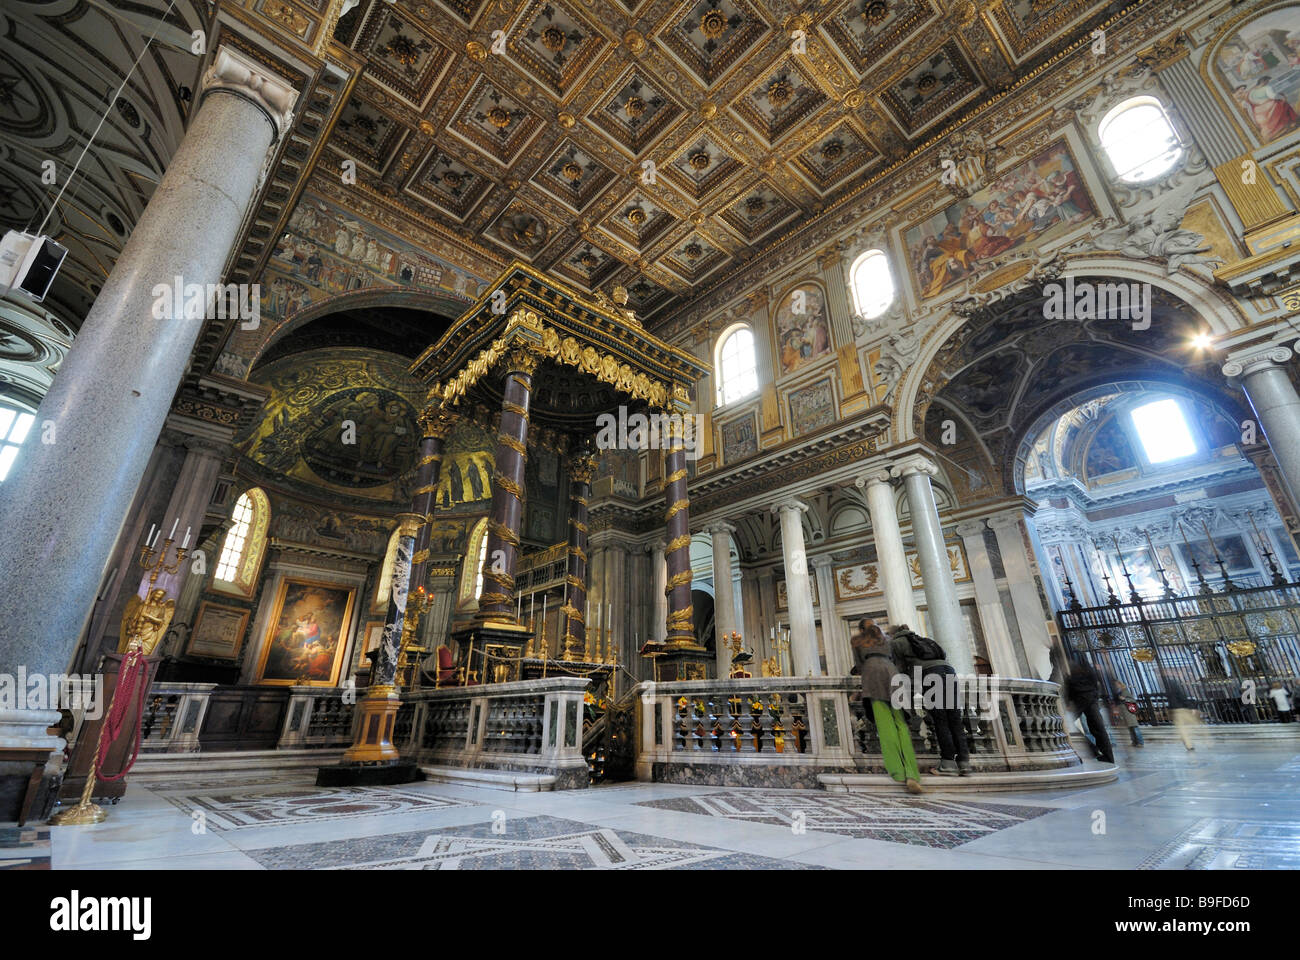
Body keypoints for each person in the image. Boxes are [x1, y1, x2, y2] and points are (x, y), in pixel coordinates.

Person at [850, 618, 923, 794]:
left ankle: (897, 771)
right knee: (901, 725)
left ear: (861, 629)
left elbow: (859, 666)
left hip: (873, 677)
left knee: (886, 726)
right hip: (892, 675)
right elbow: (897, 660)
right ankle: (912, 773)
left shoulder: (857, 641)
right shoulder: (888, 640)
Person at [891, 623, 970, 776]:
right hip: (948, 671)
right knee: (955, 718)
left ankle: (948, 763)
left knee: (941, 718)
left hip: (931, 674)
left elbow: (900, 671)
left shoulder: (896, 643)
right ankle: (964, 762)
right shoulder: (924, 639)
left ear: (895, 633)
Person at [1063, 656, 1114, 763]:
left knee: (1066, 724)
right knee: (1098, 728)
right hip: (1091, 698)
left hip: (1080, 699)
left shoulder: (1071, 669)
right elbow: (1096, 684)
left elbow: (1069, 688)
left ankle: (1094, 750)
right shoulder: (1089, 669)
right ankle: (1107, 757)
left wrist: (1068, 702)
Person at [1165, 677, 1200, 751]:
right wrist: (1191, 707)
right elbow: (1184, 699)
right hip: (1182, 711)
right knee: (1191, 725)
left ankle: (1188, 745)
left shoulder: (1168, 692)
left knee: (1182, 730)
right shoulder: (1178, 691)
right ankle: (1205, 741)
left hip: (1175, 712)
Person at [1114, 682, 1144, 747]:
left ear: (1120, 684)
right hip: (1124, 712)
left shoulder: (1125, 691)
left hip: (1129, 712)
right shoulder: (1119, 692)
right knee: (1130, 728)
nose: (1116, 686)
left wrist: (1124, 699)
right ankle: (1134, 742)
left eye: (1117, 684)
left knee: (1134, 728)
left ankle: (1140, 742)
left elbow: (1133, 700)